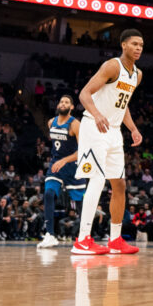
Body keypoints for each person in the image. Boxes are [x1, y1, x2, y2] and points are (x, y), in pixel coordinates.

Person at [71, 30, 144, 255]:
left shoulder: (137, 74)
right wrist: (98, 114)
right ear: (123, 45)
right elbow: (84, 94)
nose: (139, 48)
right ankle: (82, 239)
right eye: (134, 44)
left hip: (113, 131)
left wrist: (132, 128)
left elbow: (123, 105)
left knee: (119, 184)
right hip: (94, 125)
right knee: (96, 179)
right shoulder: (112, 66)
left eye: (141, 45)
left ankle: (115, 240)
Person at [38, 95, 85, 248]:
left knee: (79, 204)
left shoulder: (75, 124)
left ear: (71, 107)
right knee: (48, 194)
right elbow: (57, 144)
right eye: (61, 101)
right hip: (56, 164)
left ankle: (85, 236)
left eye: (66, 102)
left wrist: (65, 160)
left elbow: (83, 150)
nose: (63, 104)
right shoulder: (51, 122)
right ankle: (50, 235)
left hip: (72, 165)